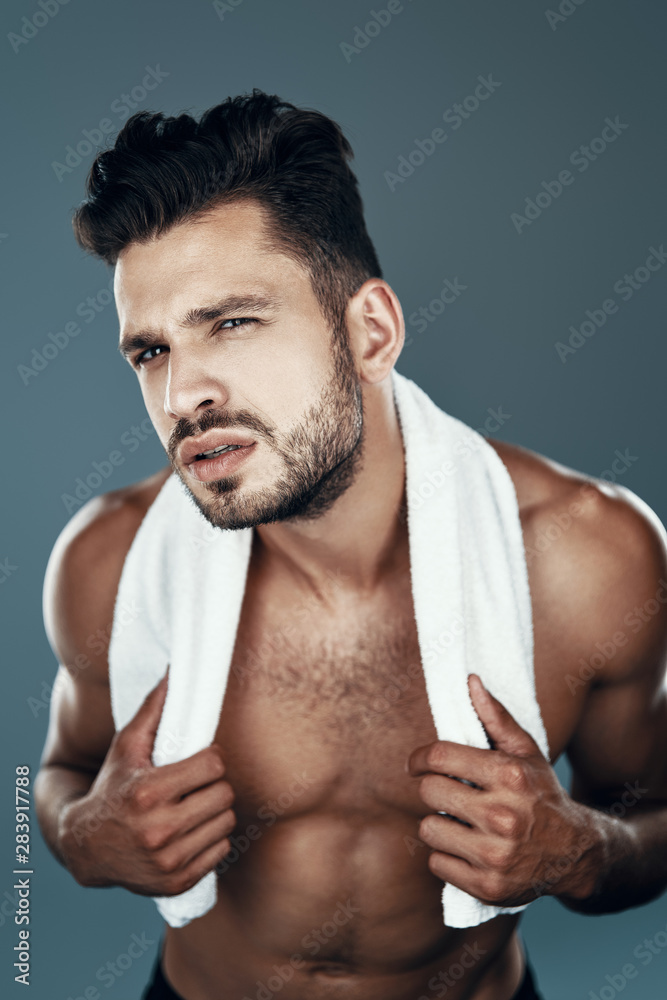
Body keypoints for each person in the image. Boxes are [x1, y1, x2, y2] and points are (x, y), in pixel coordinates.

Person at [35, 91, 667, 1000]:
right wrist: (77, 836)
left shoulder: (587, 559)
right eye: (150, 352)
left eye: (231, 322)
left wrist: (581, 851)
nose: (181, 396)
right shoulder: (109, 561)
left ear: (371, 331)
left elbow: (653, 820)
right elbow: (54, 778)